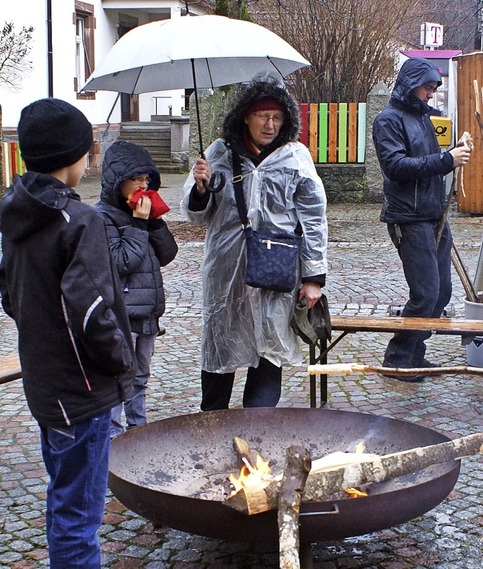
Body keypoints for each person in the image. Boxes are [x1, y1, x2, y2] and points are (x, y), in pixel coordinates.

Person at [0, 98, 135, 568]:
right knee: (79, 517)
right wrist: (123, 361)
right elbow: (93, 312)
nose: (90, 158)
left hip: (46, 387)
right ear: (72, 156)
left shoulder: (15, 213)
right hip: (81, 394)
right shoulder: (80, 222)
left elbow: (11, 297)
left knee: (64, 502)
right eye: (87, 150)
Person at [180, 72, 328, 411]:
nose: (270, 125)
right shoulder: (218, 153)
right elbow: (197, 216)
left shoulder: (295, 157)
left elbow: (314, 219)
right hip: (227, 270)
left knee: (269, 348)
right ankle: (211, 425)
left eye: (277, 118)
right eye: (263, 116)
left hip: (276, 269)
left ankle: (258, 427)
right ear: (246, 116)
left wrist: (312, 278)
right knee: (221, 345)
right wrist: (201, 189)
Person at [372, 57, 472, 382]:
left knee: (442, 292)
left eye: (433, 88)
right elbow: (396, 167)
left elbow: (429, 162)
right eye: (428, 87)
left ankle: (415, 354)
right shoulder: (388, 120)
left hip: (433, 215)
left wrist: (454, 151)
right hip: (408, 217)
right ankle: (398, 358)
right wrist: (446, 159)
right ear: (411, 84)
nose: (431, 94)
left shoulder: (424, 119)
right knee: (426, 292)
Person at [95, 141, 178, 437]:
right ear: (118, 181)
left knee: (140, 377)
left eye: (146, 180)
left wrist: (154, 223)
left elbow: (168, 254)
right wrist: (139, 224)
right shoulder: (101, 217)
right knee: (120, 379)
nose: (143, 186)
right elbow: (121, 262)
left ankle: (138, 430)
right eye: (136, 180)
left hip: (147, 314)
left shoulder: (143, 214)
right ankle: (115, 440)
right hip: (121, 315)